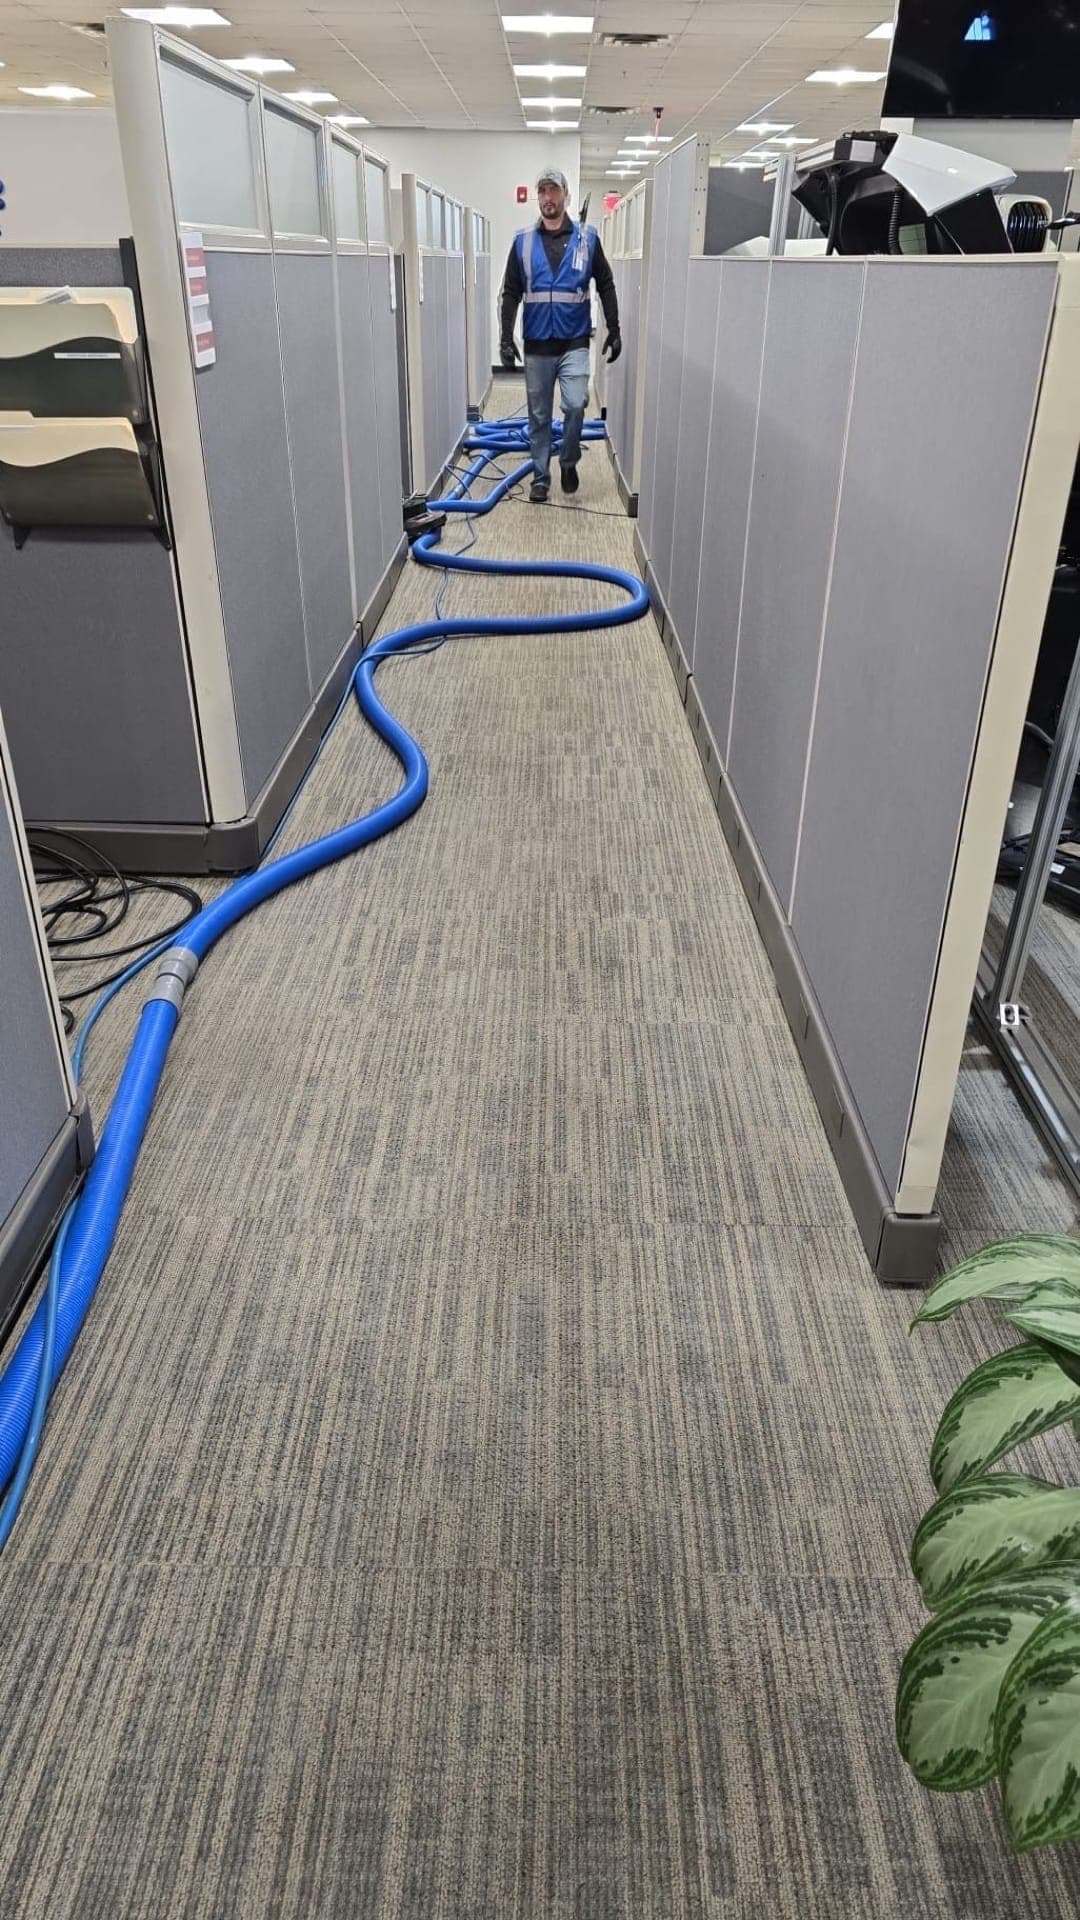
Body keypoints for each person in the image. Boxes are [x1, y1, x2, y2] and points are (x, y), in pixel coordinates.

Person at [499, 168, 621, 504]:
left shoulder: (587, 238)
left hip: (574, 341)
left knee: (575, 403)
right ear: (537, 197)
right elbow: (510, 291)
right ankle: (541, 476)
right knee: (538, 416)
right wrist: (506, 337)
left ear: (565, 195)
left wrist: (614, 326)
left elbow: (606, 283)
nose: (548, 198)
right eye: (542, 192)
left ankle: (568, 461)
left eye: (554, 191)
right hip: (537, 344)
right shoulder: (522, 242)